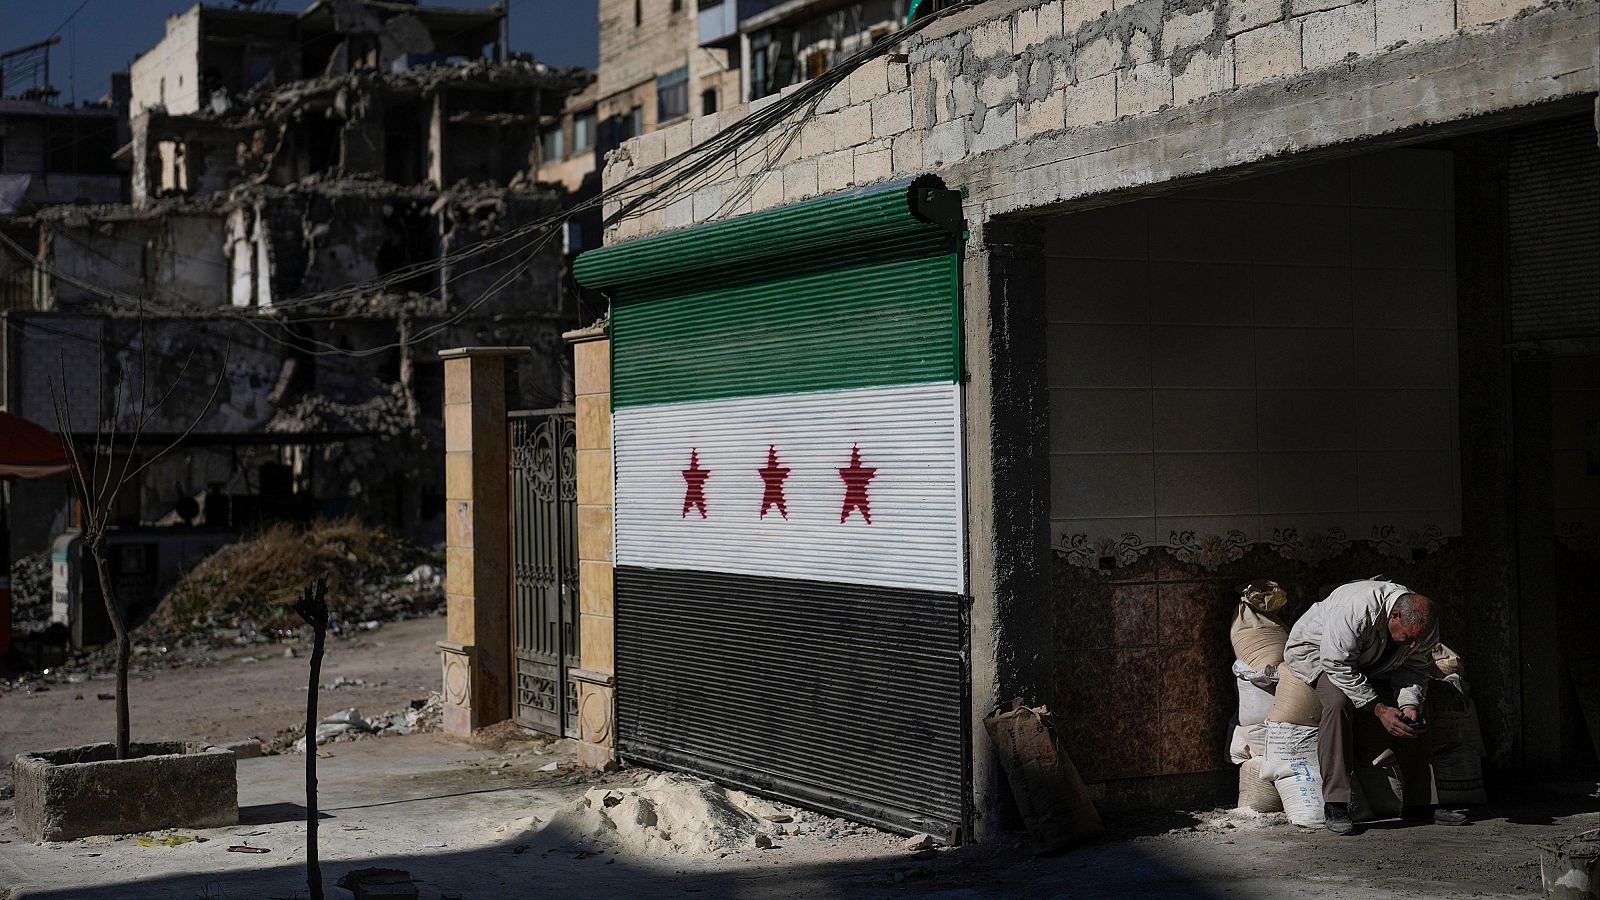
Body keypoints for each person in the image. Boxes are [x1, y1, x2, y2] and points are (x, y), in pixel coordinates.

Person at [1283, 578, 1469, 835]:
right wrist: (1379, 710)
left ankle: (1418, 804)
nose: (1413, 644)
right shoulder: (1355, 609)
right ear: (1394, 615)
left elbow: (1416, 667)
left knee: (1413, 717)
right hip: (1318, 654)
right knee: (1338, 704)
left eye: (1418, 640)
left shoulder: (1422, 626)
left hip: (1371, 662)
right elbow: (1337, 663)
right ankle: (1336, 804)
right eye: (1408, 638)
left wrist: (1410, 704)